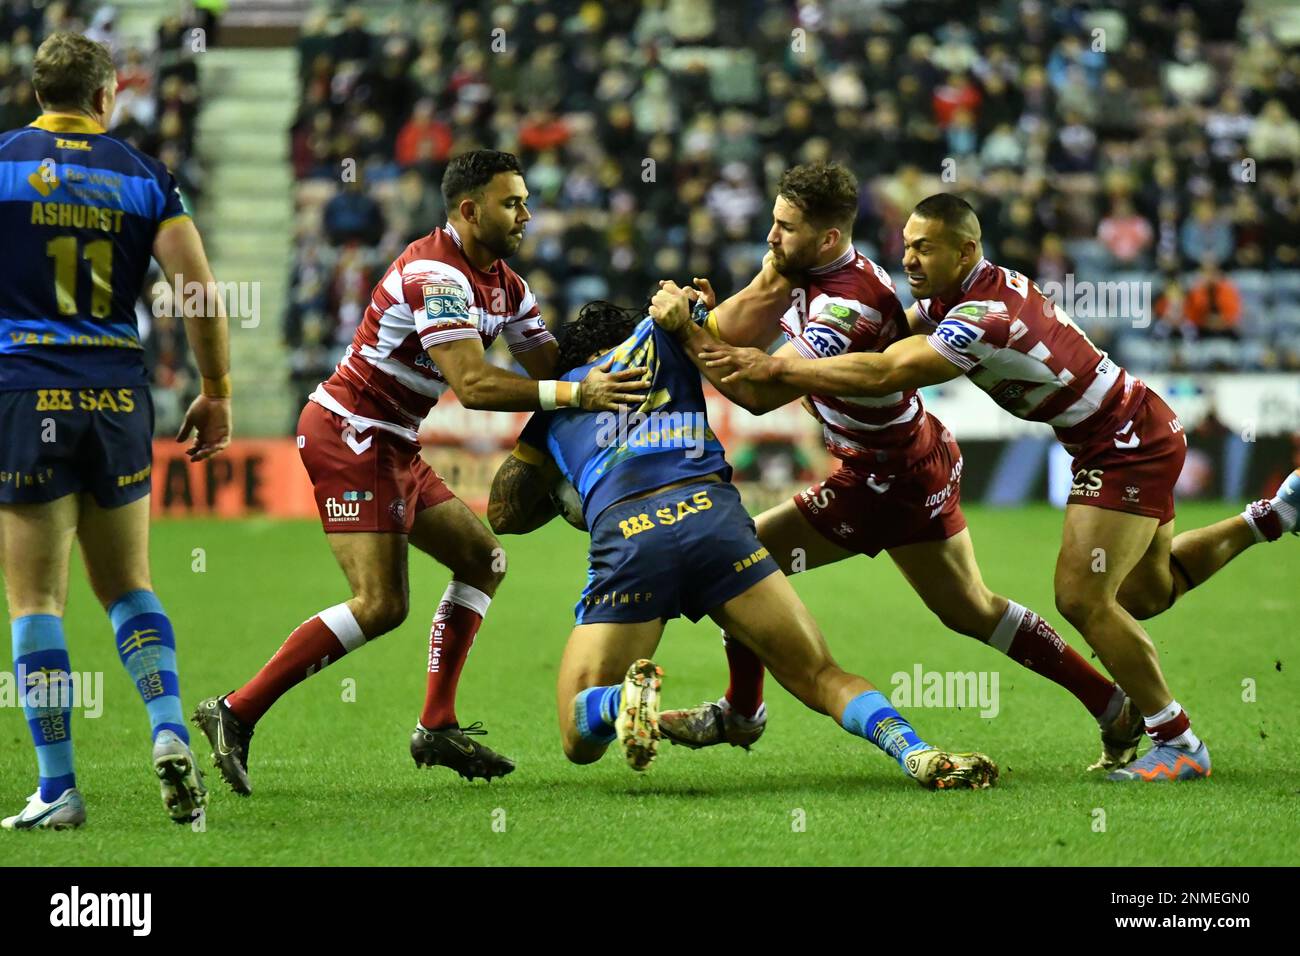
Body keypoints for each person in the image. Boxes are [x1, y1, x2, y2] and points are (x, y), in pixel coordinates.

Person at [699, 192, 1300, 782]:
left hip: (1122, 446)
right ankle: (1270, 518)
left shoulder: (980, 317)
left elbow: (891, 369)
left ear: (965, 251)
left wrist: (776, 365)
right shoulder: (961, 293)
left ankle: (1179, 741)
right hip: (1136, 425)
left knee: (1082, 599)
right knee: (1148, 592)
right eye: (906, 247)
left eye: (924, 249)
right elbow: (883, 346)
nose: (908, 260)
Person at [651, 164, 1136, 775]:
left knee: (735, 561)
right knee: (971, 610)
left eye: (784, 227)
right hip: (914, 458)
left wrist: (684, 330)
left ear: (828, 238)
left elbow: (753, 391)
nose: (770, 236)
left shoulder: (845, 307)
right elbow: (735, 328)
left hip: (882, 479)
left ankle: (742, 711)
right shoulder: (813, 269)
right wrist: (703, 319)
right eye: (773, 222)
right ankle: (1112, 703)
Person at [193, 150, 645, 793]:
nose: (526, 213)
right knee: (381, 605)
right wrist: (578, 397)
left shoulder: (507, 285)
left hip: (393, 441)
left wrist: (636, 346)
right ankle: (234, 711)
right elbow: (474, 384)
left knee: (483, 560)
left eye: (525, 200)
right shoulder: (437, 275)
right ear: (469, 209)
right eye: (511, 202)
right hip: (350, 432)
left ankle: (435, 725)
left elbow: (551, 364)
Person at [486, 299, 998, 791]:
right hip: (717, 524)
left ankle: (616, 704)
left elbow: (503, 513)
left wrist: (573, 484)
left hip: (631, 536)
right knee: (821, 674)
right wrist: (698, 307)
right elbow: (747, 312)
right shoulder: (665, 340)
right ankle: (914, 750)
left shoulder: (552, 407)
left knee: (579, 738)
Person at [0, 33, 232, 828]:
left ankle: (59, 787)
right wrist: (218, 390)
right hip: (117, 397)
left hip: (25, 395)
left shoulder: (2, 163)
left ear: (38, 92)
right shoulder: (145, 176)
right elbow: (196, 289)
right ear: (107, 97)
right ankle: (168, 726)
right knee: (129, 585)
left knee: (35, 599)